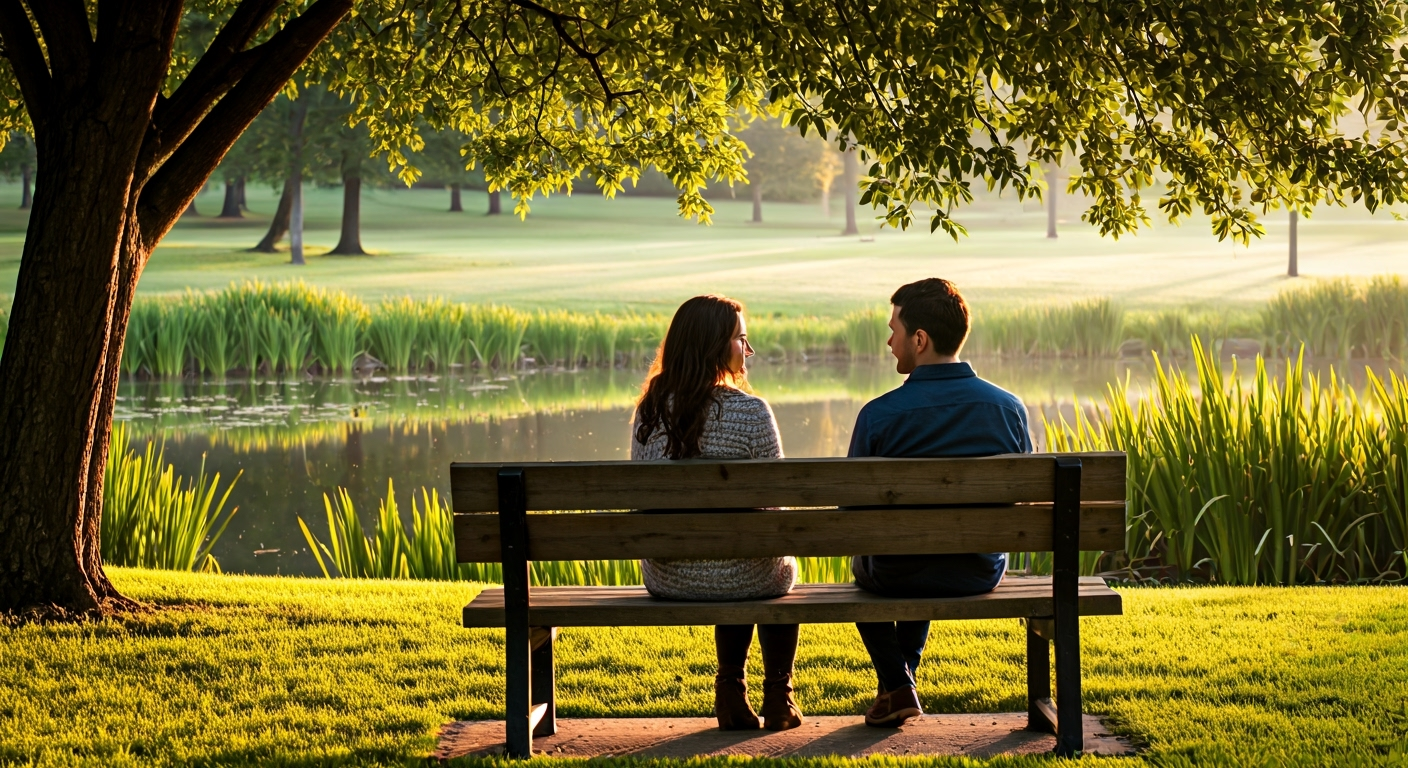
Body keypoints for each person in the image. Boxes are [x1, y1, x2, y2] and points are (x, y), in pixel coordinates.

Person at [848, 278, 1032, 728]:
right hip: (978, 570)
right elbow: (1021, 495)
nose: (889, 341)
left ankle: (897, 682)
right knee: (927, 551)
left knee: (872, 559)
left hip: (895, 575)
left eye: (893, 330)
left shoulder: (878, 415)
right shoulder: (1009, 409)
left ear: (920, 339)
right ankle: (900, 683)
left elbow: (850, 514)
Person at [631, 294, 804, 732]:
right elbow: (776, 511)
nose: (748, 351)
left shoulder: (650, 411)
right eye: (741, 340)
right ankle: (778, 696)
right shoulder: (752, 411)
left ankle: (730, 690)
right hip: (750, 575)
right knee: (767, 560)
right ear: (715, 346)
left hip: (668, 575)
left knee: (743, 553)